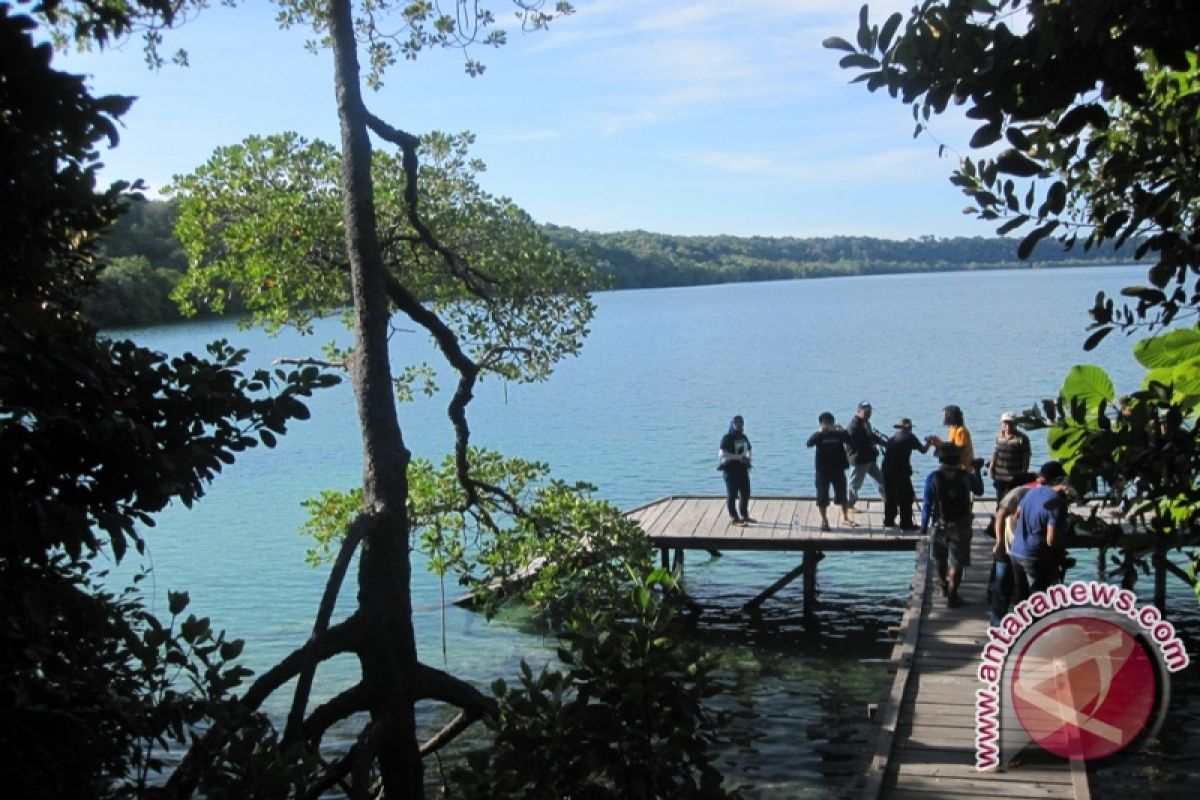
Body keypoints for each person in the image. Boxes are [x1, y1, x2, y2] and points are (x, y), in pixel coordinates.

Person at [1008, 461, 1072, 602]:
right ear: (1060, 481)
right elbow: (1051, 540)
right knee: (1038, 599)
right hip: (1034, 556)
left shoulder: (1032, 492)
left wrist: (1028, 528)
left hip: (1016, 551)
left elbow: (1016, 516)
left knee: (1021, 597)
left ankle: (1020, 622)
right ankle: (1038, 623)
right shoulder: (1056, 503)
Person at [920, 444, 974, 608]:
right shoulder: (965, 476)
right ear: (957, 459)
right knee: (957, 562)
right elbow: (978, 490)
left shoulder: (932, 477)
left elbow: (927, 504)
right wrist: (976, 471)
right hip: (961, 525)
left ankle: (943, 584)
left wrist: (923, 526)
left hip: (939, 524)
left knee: (940, 558)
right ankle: (952, 595)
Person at [987, 471, 1037, 627]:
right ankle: (999, 625)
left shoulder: (1014, 496)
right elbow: (1001, 516)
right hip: (1013, 550)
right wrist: (1000, 543)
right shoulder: (1020, 495)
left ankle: (1005, 625)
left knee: (1006, 589)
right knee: (1007, 589)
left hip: (1014, 550)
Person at [806, 412, 856, 531]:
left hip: (838, 469)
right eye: (826, 423)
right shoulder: (819, 436)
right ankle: (824, 520)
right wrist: (819, 433)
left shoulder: (838, 434)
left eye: (830, 423)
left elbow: (851, 442)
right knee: (822, 497)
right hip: (823, 471)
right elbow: (809, 444)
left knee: (842, 494)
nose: (828, 426)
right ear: (821, 424)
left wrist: (843, 431)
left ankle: (845, 517)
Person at [882, 417, 930, 530]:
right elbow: (923, 450)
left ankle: (888, 521)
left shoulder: (893, 438)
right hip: (900, 472)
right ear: (909, 428)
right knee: (906, 498)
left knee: (890, 497)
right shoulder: (910, 438)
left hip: (886, 470)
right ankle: (906, 523)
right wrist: (929, 442)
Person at [927, 404, 981, 495]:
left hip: (962, 466)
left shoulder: (961, 431)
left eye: (944, 415)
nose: (943, 418)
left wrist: (940, 444)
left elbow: (958, 448)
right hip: (954, 465)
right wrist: (938, 443)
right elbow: (951, 445)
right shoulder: (953, 429)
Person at [845, 401, 888, 508]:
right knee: (854, 485)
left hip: (869, 459)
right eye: (866, 412)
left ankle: (889, 502)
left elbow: (871, 436)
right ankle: (848, 506)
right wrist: (873, 449)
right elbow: (860, 445)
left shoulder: (866, 423)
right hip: (859, 460)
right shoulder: (854, 426)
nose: (869, 414)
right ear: (859, 411)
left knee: (881, 481)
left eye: (870, 412)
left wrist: (886, 444)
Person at [718, 415, 754, 526]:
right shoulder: (727, 437)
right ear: (732, 424)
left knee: (745, 492)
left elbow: (749, 449)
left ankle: (744, 515)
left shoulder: (744, 437)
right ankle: (734, 518)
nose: (739, 424)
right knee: (732, 494)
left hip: (743, 470)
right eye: (737, 422)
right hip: (730, 471)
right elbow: (721, 454)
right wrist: (738, 458)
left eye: (741, 422)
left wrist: (748, 458)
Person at [987, 411, 1031, 502]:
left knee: (1014, 500)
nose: (1007, 426)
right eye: (1005, 423)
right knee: (1000, 500)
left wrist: (1023, 473)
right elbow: (995, 452)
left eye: (1010, 424)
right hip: (999, 475)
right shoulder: (999, 436)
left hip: (1015, 476)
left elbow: (1026, 457)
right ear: (1002, 424)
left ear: (1015, 424)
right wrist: (991, 467)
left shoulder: (1022, 438)